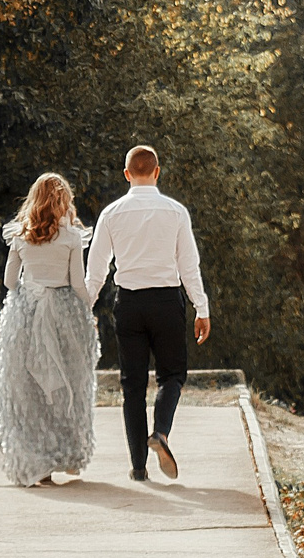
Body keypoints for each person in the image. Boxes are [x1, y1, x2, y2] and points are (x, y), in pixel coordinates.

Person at [83, 144, 210, 482]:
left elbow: (96, 271)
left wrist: (83, 309)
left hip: (129, 304)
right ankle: (161, 432)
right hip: (167, 302)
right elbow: (189, 265)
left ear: (127, 174)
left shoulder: (111, 213)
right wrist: (201, 308)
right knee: (172, 376)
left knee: (133, 385)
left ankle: (138, 467)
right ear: (157, 172)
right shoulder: (176, 212)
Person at [0, 172, 98, 486]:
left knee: (25, 388)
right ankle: (62, 452)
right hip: (62, 315)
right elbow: (77, 283)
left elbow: (8, 281)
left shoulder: (21, 234)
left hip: (24, 314)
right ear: (63, 201)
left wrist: (31, 287)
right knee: (62, 386)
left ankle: (35, 462)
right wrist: (89, 309)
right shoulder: (71, 238)